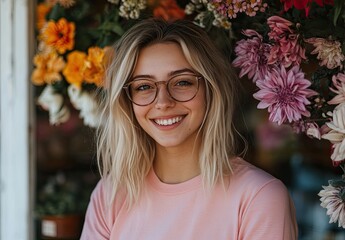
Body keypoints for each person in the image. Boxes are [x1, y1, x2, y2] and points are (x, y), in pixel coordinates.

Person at [80, 18, 298, 240]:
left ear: (211, 89)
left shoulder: (259, 197)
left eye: (182, 82)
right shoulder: (111, 193)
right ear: (128, 101)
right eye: (144, 86)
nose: (163, 102)